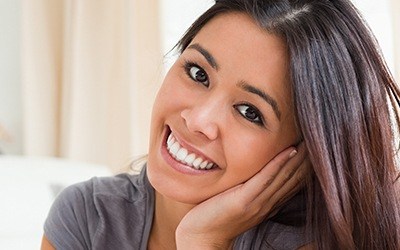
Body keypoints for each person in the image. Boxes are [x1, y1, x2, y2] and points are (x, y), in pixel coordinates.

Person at [41, 0, 400, 249]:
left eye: (250, 112)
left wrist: (203, 243)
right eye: (198, 73)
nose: (198, 120)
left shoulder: (308, 243)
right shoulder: (88, 217)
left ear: (303, 154)